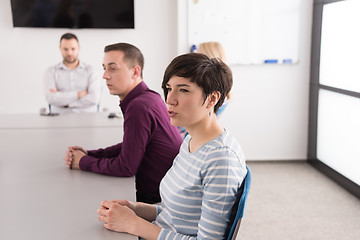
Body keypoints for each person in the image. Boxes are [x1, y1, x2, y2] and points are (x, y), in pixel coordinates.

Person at [96, 53, 247, 239]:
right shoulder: (192, 140)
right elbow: (177, 216)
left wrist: (133, 224)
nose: (170, 99)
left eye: (183, 90)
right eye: (169, 88)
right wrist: (136, 209)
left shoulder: (221, 159)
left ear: (212, 99)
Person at [64, 43, 183, 204]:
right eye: (104, 68)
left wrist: (83, 162)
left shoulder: (138, 106)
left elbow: (126, 167)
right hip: (165, 191)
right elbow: (132, 145)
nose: (105, 75)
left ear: (135, 71)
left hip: (156, 201)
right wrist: (90, 154)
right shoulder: (149, 97)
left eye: (112, 68)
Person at [44, 33, 101, 113]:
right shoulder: (51, 72)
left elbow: (94, 98)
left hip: (87, 118)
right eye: (66, 49)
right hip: (59, 119)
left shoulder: (91, 70)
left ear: (79, 48)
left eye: (73, 49)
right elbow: (51, 98)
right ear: (60, 48)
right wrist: (79, 94)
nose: (69, 53)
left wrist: (67, 104)